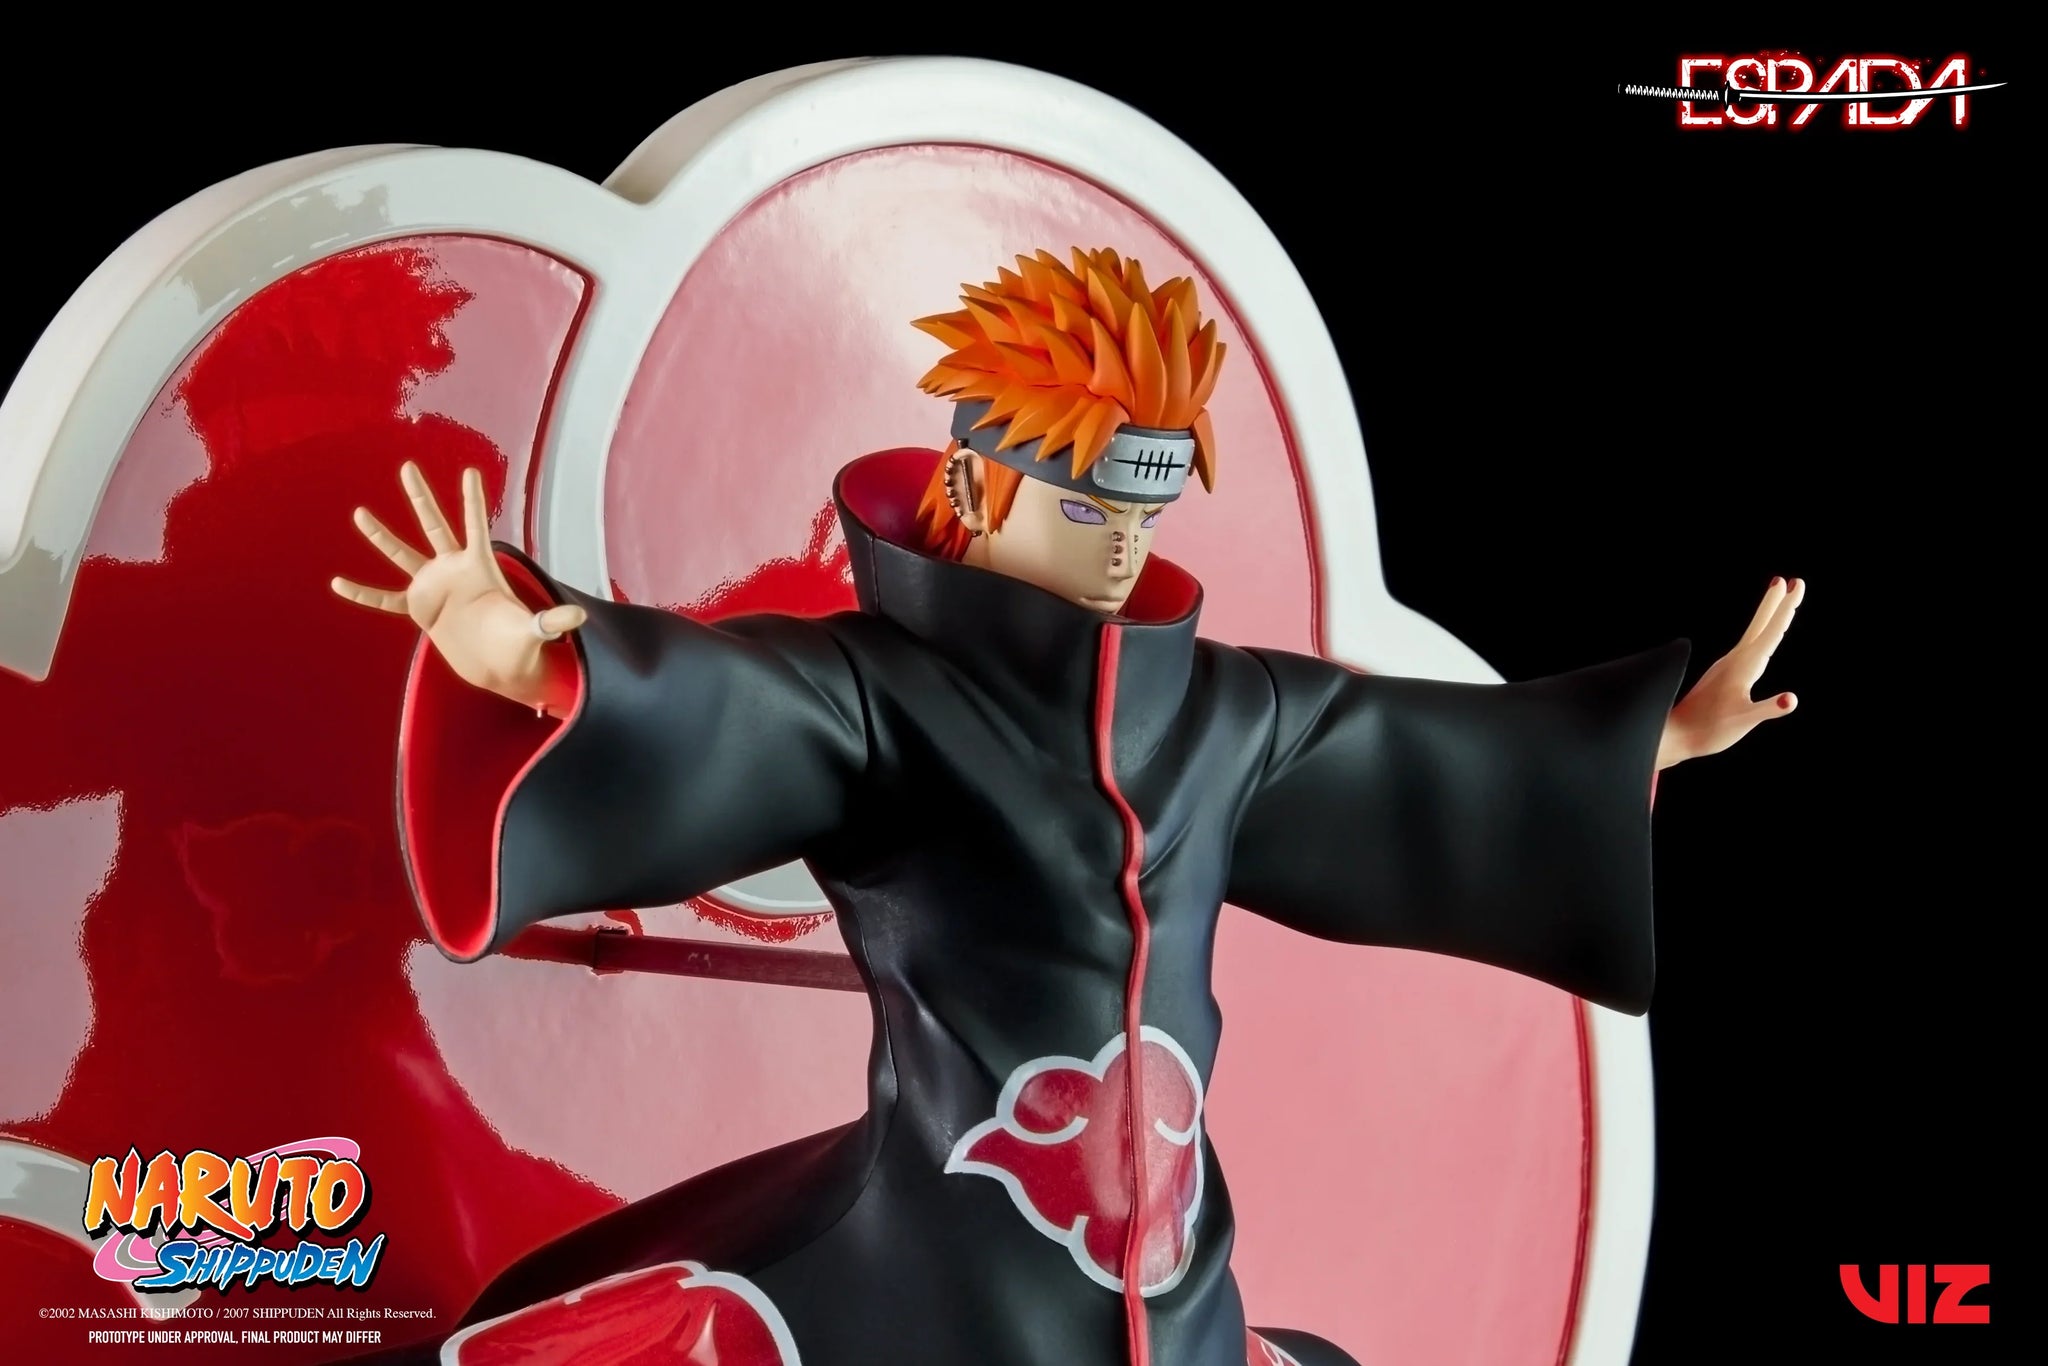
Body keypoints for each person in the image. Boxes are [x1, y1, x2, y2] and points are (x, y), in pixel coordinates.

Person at [332, 247, 1802, 1366]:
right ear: (978, 489)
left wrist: (1645, 747)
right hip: (943, 1262)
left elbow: (1411, 761)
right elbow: (727, 702)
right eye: (1088, 504)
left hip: (1173, 1264)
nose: (1121, 549)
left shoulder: (1219, 710)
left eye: (1144, 512)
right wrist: (540, 659)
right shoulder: (882, 697)